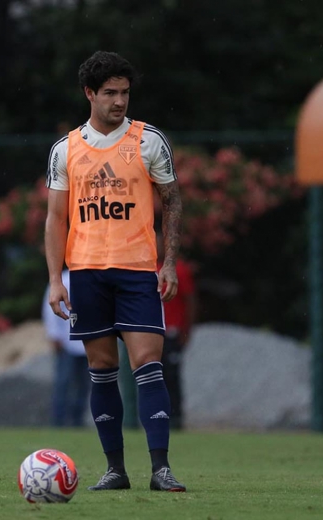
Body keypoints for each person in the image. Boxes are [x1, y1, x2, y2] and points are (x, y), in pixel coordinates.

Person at [44, 51, 186, 492]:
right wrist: (55, 279)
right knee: (102, 369)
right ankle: (115, 470)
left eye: (124, 92)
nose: (119, 101)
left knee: (148, 363)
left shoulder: (148, 141)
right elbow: (55, 219)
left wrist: (169, 261)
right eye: (110, 93)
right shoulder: (66, 149)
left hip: (138, 270)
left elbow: (172, 200)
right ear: (90, 93)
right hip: (85, 273)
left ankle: (160, 468)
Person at [156, 229, 196, 430]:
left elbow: (190, 301)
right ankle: (153, 417)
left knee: (171, 376)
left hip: (171, 333)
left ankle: (176, 418)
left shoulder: (178, 269)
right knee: (150, 377)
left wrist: (186, 331)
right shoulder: (144, 269)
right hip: (150, 333)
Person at [42, 269, 90, 427]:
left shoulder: (91, 278)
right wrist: (54, 335)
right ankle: (59, 420)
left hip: (87, 342)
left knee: (84, 384)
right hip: (66, 341)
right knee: (63, 382)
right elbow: (50, 308)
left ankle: (77, 420)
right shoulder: (62, 279)